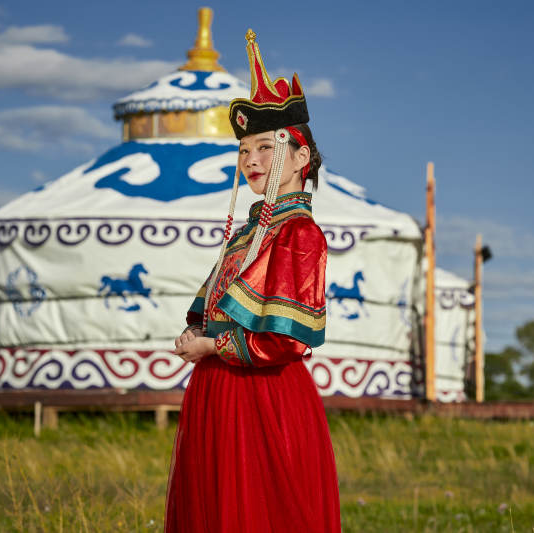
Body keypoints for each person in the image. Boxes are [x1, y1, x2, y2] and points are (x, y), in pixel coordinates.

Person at [164, 29, 341, 533]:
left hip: (264, 397)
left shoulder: (299, 234)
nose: (252, 161)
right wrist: (196, 333)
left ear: (301, 158)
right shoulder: (249, 232)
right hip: (218, 390)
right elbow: (216, 311)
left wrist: (211, 346)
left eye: (266, 147)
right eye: (244, 151)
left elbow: (284, 340)